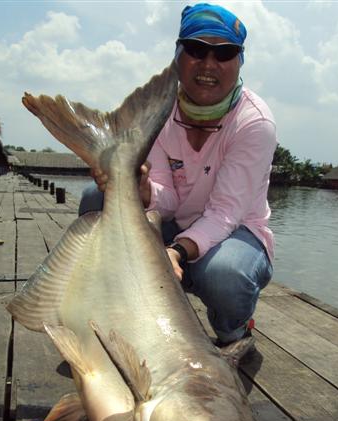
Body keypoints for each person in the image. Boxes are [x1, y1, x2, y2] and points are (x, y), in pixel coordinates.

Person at [80, 3, 276, 352]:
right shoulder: (159, 110)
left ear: (239, 61)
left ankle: (234, 331)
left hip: (236, 232)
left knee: (226, 275)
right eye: (197, 50)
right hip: (173, 226)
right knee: (96, 199)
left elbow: (225, 213)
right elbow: (167, 197)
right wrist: (143, 192)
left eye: (224, 53)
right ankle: (115, 322)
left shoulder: (255, 122)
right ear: (178, 55)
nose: (209, 64)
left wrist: (175, 253)